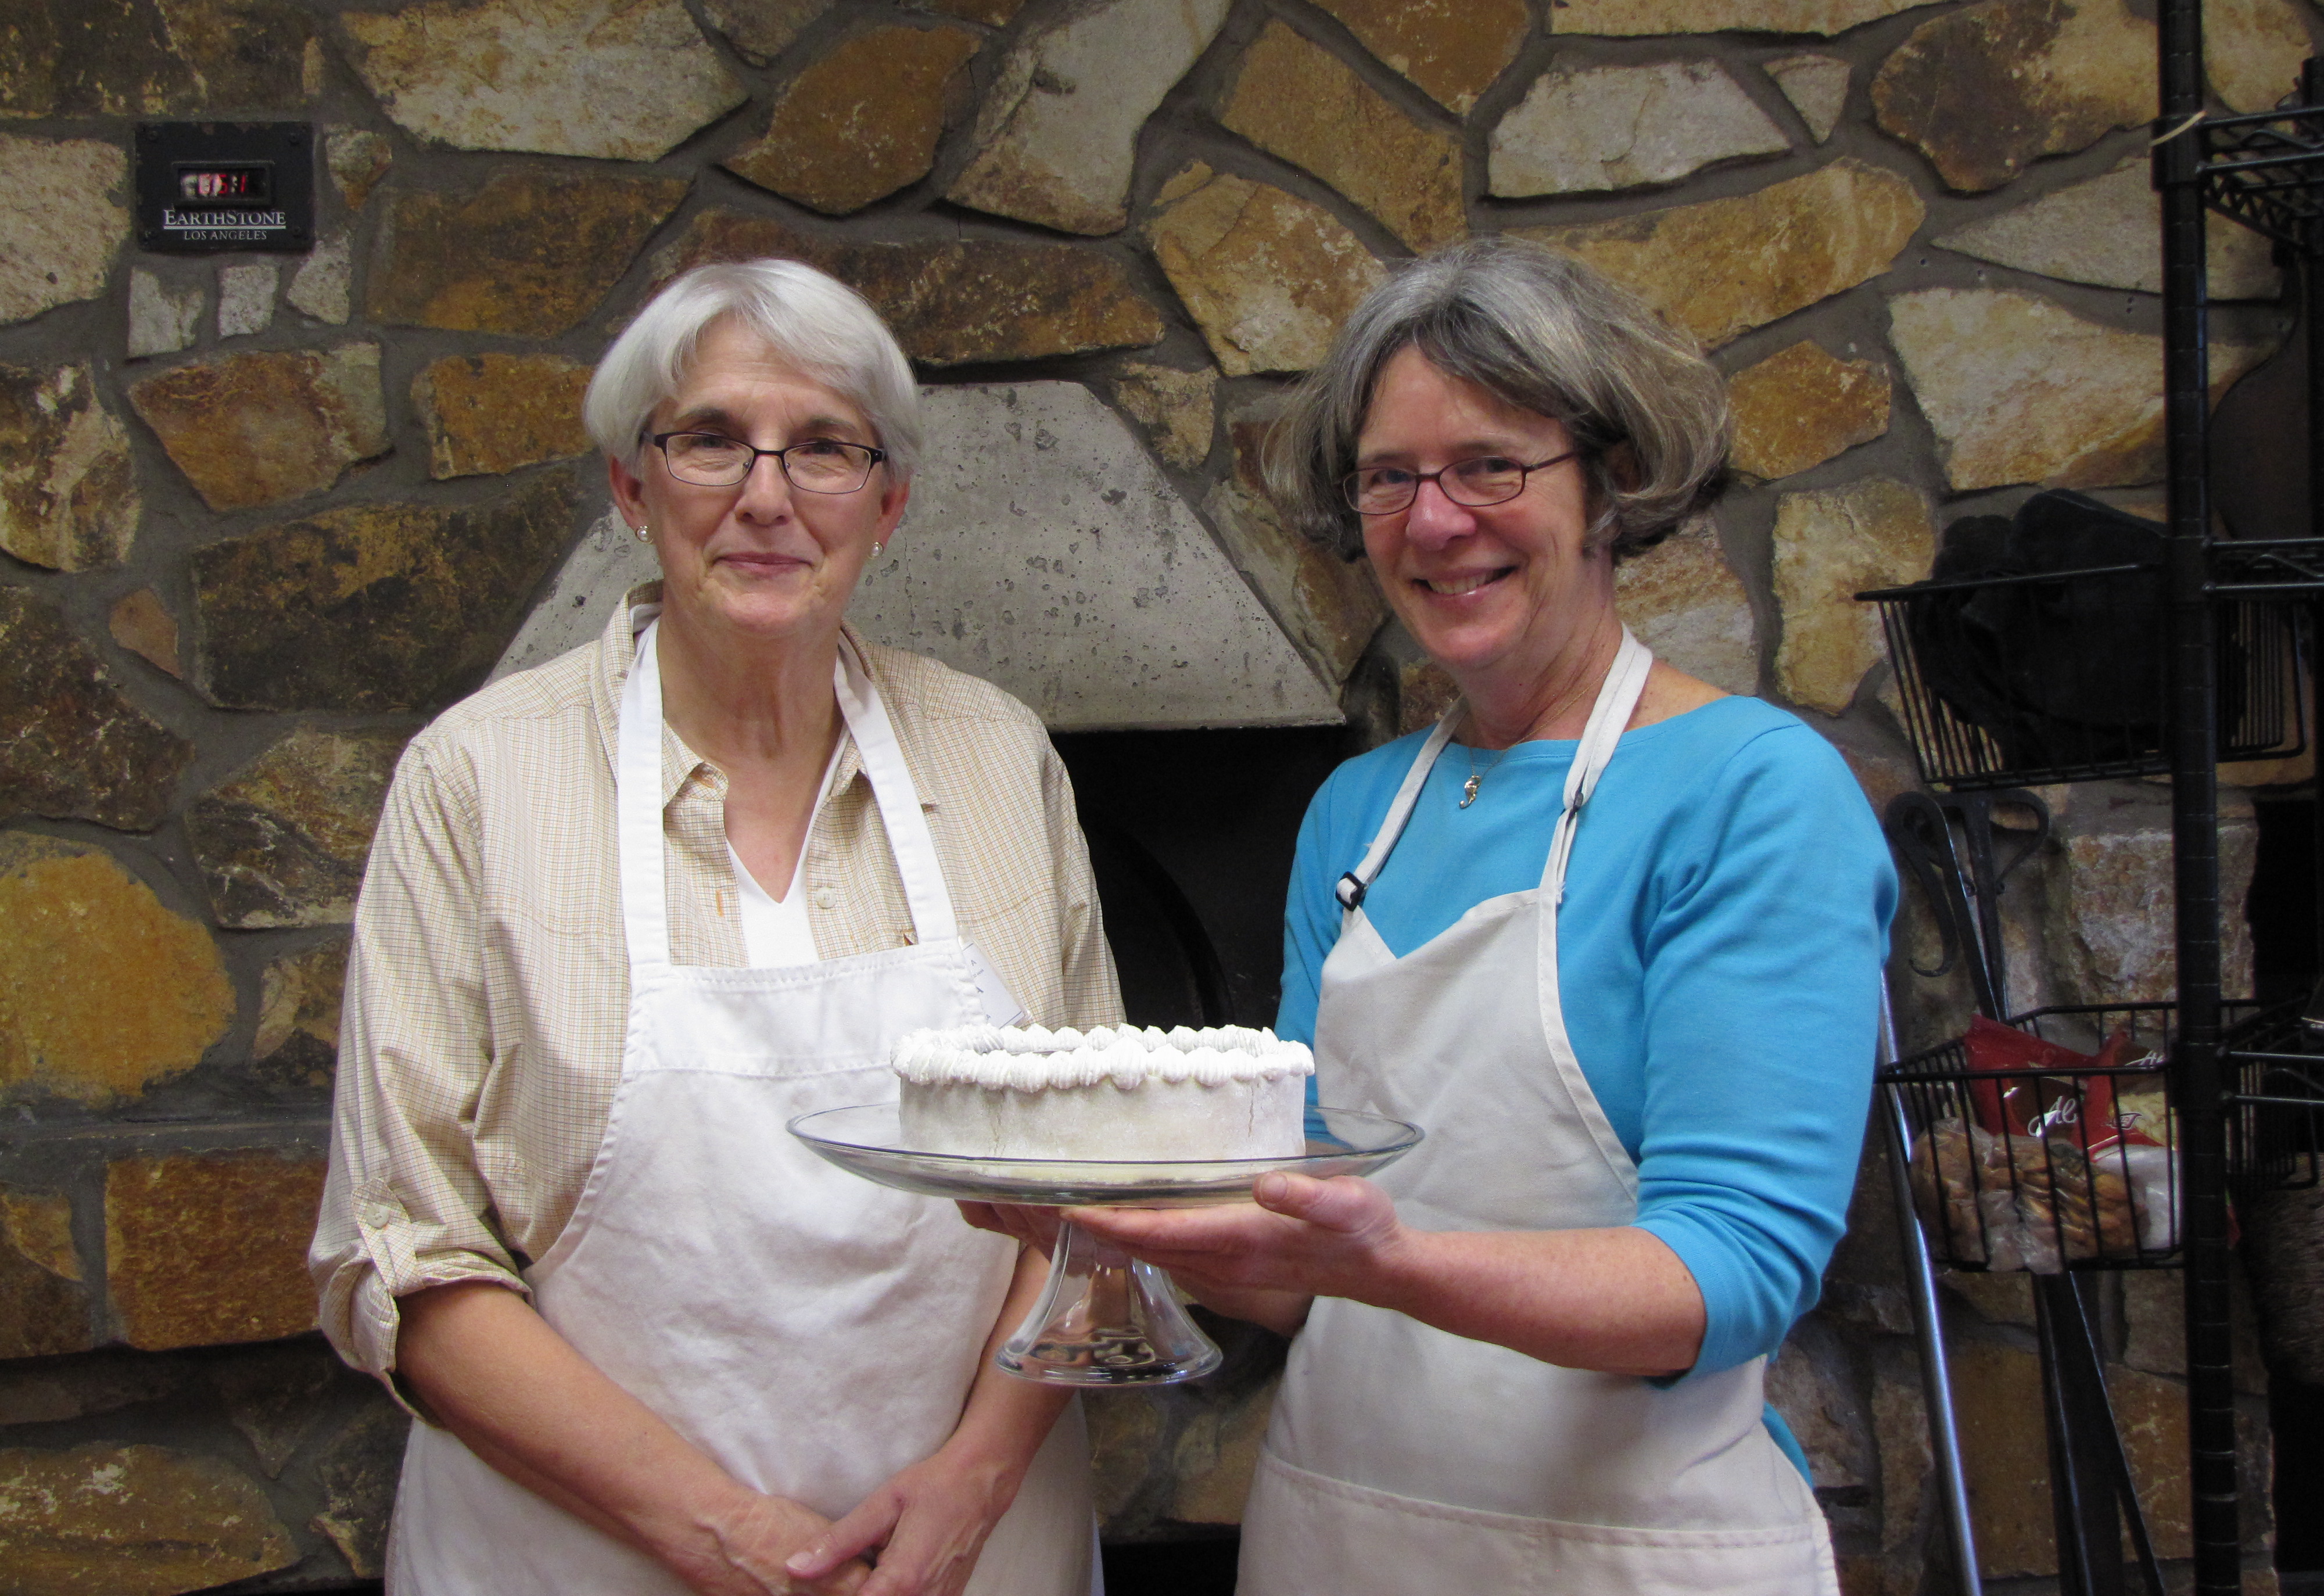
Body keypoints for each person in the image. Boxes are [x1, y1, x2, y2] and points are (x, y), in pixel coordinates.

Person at [1056, 238, 1897, 1593]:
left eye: (1490, 466)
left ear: (1609, 480)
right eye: (1388, 476)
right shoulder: (1356, 812)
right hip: (1338, 1536)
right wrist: (1103, 1206)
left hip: (1627, 1553)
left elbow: (1729, 1274)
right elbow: (1295, 1277)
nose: (1434, 523)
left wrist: (1398, 1263)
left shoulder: (1750, 791)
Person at [311, 259, 1122, 1596]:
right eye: (709, 440)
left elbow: (1101, 1192)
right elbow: (404, 1253)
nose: (765, 496)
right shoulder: (477, 779)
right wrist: (732, 1539)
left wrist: (980, 1476)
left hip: (972, 1554)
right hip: (580, 1560)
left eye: (824, 448)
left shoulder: (995, 757)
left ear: (888, 503)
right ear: (631, 487)